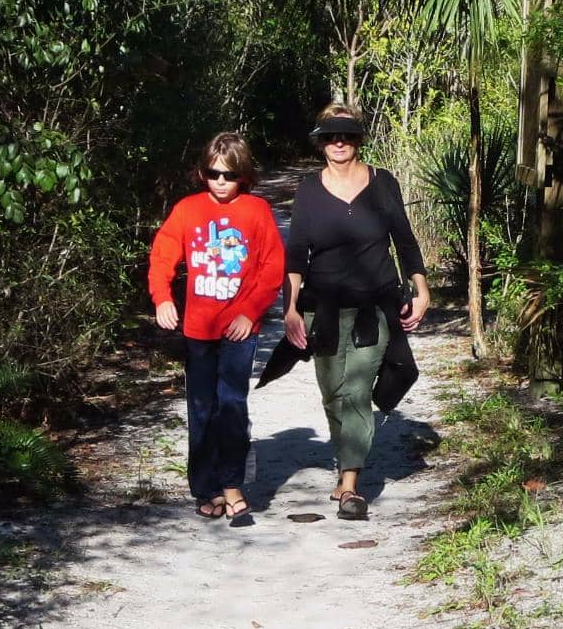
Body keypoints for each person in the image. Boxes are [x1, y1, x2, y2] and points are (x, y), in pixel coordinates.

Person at [283, 103, 429, 519]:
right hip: (323, 308)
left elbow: (404, 239)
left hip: (374, 305)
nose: (339, 142)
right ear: (321, 143)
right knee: (333, 394)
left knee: (358, 392)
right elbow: (296, 254)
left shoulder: (383, 183)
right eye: (331, 135)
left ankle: (350, 484)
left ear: (358, 139)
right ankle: (345, 463)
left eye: (346, 134)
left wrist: (421, 288)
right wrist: (290, 308)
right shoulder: (309, 189)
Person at [148, 132, 285, 523]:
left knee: (233, 406)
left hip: (239, 331)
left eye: (230, 175)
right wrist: (162, 298)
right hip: (198, 329)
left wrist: (250, 312)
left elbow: (271, 268)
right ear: (201, 173)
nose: (221, 182)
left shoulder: (256, 211)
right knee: (202, 409)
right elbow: (162, 256)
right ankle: (207, 488)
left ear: (243, 175)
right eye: (214, 174)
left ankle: (233, 486)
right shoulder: (188, 210)